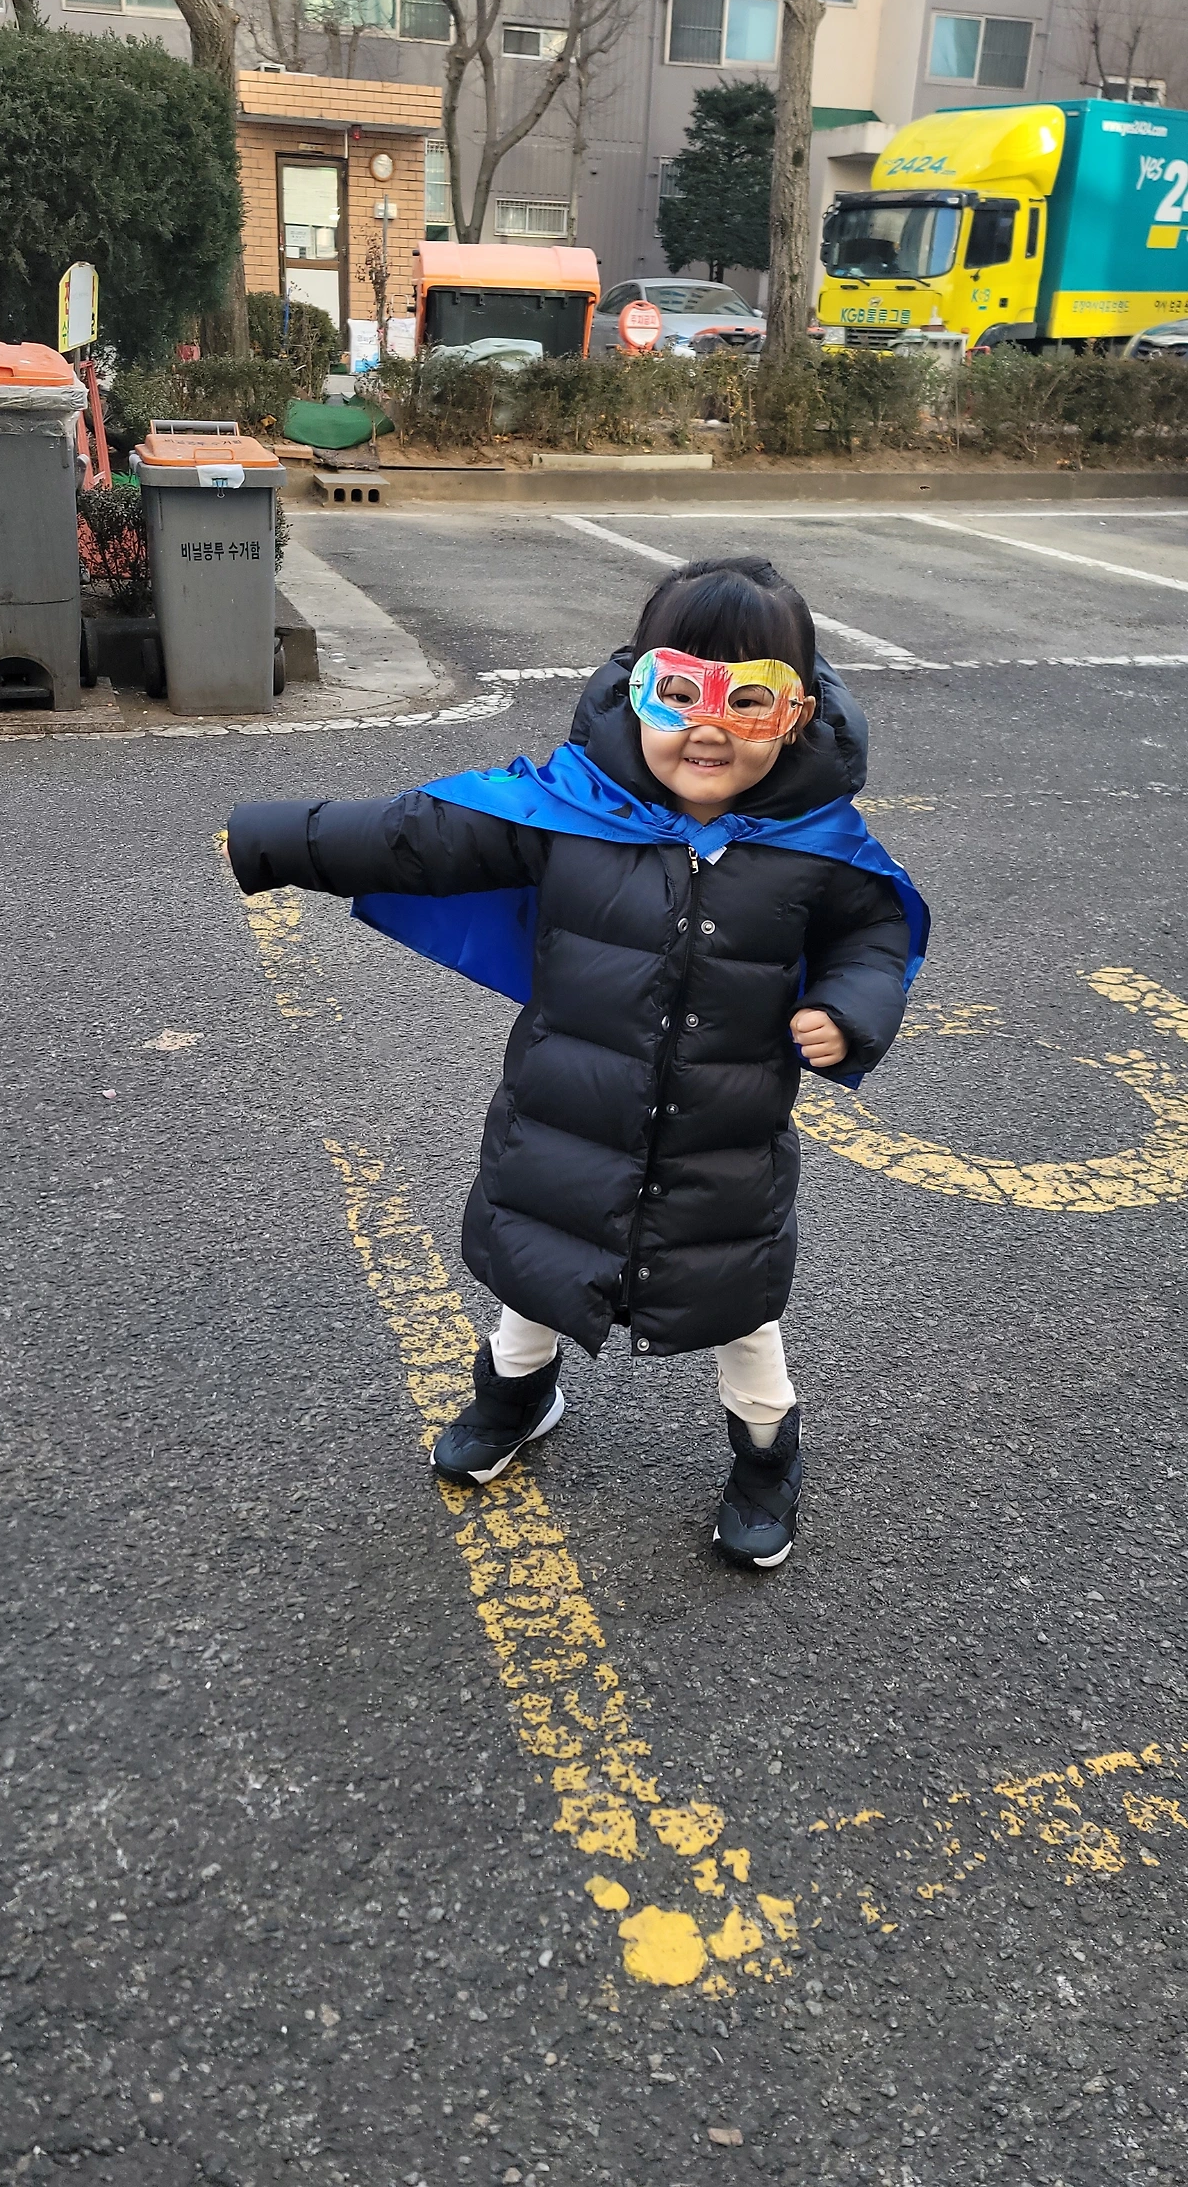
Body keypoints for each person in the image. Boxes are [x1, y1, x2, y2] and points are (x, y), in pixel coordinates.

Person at [228, 556, 927, 1570]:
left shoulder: (818, 845)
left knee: (741, 1312)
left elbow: (872, 933)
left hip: (724, 1143)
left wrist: (851, 1011)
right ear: (636, 687)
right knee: (535, 1274)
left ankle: (766, 1455)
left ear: (798, 716)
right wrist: (276, 840)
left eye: (749, 700)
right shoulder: (572, 810)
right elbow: (419, 837)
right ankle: (515, 1397)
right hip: (565, 1119)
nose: (709, 727)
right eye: (678, 691)